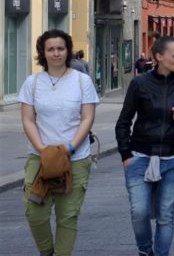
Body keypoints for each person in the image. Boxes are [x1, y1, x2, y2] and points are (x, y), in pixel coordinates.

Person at [115, 36, 174, 256]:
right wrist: (126, 155)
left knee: (165, 214)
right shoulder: (139, 84)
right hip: (140, 157)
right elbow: (124, 121)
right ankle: (145, 251)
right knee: (139, 212)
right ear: (159, 57)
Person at [19, 29, 99, 256]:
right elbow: (28, 119)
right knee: (34, 212)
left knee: (67, 216)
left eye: (60, 48)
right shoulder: (32, 83)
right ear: (42, 53)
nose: (56, 53)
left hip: (75, 157)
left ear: (68, 51)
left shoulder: (82, 81)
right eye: (51, 49)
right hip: (40, 157)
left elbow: (87, 118)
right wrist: (43, 149)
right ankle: (47, 251)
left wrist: (70, 147)